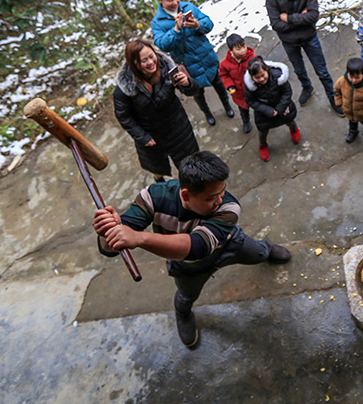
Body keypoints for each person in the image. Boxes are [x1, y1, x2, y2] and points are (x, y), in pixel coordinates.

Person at [93, 151, 291, 349]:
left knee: (259, 253)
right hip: (187, 266)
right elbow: (110, 248)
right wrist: (107, 230)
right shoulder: (153, 197)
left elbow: (199, 246)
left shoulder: (229, 207)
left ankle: (266, 249)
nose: (220, 200)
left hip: (230, 245)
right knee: (186, 296)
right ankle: (184, 313)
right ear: (186, 194)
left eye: (222, 191)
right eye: (212, 197)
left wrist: (140, 238)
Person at [263, 0, 343, 116]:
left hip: (309, 37)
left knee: (322, 70)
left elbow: (313, 15)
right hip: (289, 41)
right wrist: (301, 17)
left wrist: (288, 18)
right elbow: (275, 24)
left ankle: (332, 96)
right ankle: (307, 87)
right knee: (298, 69)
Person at [113, 39, 200, 182]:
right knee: (156, 168)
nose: (151, 62)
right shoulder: (124, 89)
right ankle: (160, 184)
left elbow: (192, 91)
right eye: (144, 60)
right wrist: (142, 136)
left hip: (178, 128)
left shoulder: (169, 70)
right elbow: (123, 116)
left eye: (151, 56)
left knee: (190, 165)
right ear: (133, 63)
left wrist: (188, 83)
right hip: (150, 136)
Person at [151, 0, 234, 126]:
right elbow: (163, 44)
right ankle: (207, 113)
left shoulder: (188, 7)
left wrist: (198, 24)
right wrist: (176, 29)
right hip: (188, 65)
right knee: (197, 93)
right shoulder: (158, 22)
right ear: (159, 0)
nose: (176, 2)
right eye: (170, 0)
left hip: (206, 56)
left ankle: (227, 106)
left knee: (219, 84)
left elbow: (209, 24)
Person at [244, 56, 300, 162]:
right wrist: (268, 110)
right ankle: (263, 145)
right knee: (263, 132)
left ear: (267, 70)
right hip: (264, 114)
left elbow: (287, 92)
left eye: (263, 75)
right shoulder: (250, 87)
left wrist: (280, 108)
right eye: (257, 77)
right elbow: (251, 101)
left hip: (283, 108)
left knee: (290, 121)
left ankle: (294, 130)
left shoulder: (279, 77)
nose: (261, 79)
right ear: (252, 77)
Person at [334, 58, 363, 149]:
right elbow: (337, 90)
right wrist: (339, 102)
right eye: (351, 77)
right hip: (349, 111)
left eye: (357, 78)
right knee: (352, 122)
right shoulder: (342, 81)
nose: (353, 80)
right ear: (347, 73)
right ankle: (353, 131)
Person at [218, 33, 256, 134]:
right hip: (239, 94)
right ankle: (246, 121)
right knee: (243, 109)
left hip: (254, 91)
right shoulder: (225, 64)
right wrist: (230, 86)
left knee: (258, 107)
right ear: (231, 51)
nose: (243, 50)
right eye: (238, 49)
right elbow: (224, 75)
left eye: (244, 46)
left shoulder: (253, 59)